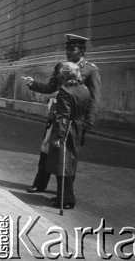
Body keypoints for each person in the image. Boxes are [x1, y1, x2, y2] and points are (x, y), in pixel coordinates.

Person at [24, 34, 101, 194]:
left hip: (74, 121)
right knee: (46, 149)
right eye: (67, 48)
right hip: (57, 116)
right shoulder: (61, 66)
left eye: (72, 49)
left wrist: (88, 123)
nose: (68, 52)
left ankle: (64, 193)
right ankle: (40, 184)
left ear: (82, 50)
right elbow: (51, 87)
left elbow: (94, 99)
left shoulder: (91, 70)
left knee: (69, 157)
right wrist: (33, 84)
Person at [46, 62, 90, 209]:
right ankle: (63, 196)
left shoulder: (65, 90)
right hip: (78, 127)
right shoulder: (84, 89)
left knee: (62, 165)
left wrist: (58, 137)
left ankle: (66, 199)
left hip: (67, 130)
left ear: (64, 75)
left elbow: (63, 116)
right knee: (70, 164)